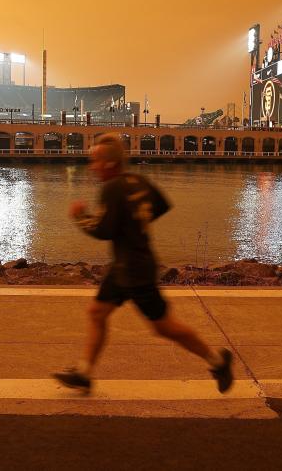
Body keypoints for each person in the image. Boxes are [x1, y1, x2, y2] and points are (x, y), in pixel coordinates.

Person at [53, 133, 234, 393]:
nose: (91, 167)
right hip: (124, 267)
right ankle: (83, 372)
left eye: (94, 162)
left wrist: (80, 216)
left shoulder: (112, 187)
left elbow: (103, 230)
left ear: (108, 164)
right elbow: (160, 205)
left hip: (135, 271)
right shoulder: (138, 181)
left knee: (165, 327)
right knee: (96, 312)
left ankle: (218, 362)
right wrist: (138, 223)